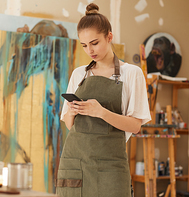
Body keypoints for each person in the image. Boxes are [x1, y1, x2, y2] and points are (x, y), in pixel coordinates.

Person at [56, 3, 151, 197]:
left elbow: (135, 126)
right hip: (76, 164)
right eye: (84, 45)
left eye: (94, 42)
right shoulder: (79, 74)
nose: (90, 50)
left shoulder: (131, 74)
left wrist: (101, 112)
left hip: (111, 168)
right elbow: (68, 124)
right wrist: (72, 112)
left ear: (109, 36)